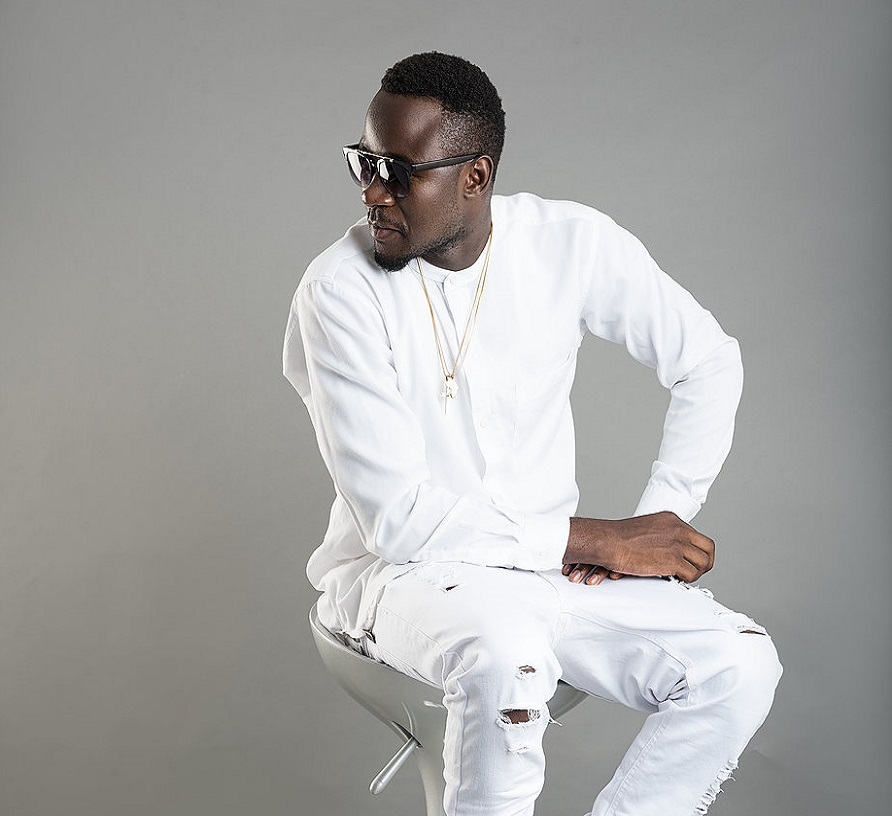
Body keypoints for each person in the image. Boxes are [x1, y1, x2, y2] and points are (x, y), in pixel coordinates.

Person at [283, 51, 781, 816]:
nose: (373, 192)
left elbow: (708, 362)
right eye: (365, 163)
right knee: (505, 659)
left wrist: (661, 519)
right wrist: (598, 540)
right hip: (401, 576)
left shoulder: (568, 243)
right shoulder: (338, 292)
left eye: (400, 172)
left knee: (739, 666)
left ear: (474, 177)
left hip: (550, 573)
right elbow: (398, 521)